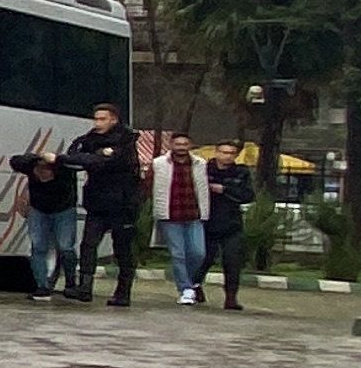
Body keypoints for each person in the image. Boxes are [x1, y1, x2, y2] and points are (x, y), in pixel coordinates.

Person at [60, 104, 143, 307]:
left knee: (122, 249)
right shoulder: (88, 138)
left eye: (102, 119)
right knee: (88, 245)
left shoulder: (126, 140)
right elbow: (72, 156)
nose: (97, 123)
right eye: (96, 119)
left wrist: (94, 157)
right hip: (97, 203)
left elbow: (108, 161)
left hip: (122, 204)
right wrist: (96, 154)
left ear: (113, 119)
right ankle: (84, 288)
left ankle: (123, 292)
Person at [7, 145, 82, 300]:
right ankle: (42, 285)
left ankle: (70, 283)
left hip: (64, 210)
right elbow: (15, 161)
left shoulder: (64, 170)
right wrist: (37, 157)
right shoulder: (31, 168)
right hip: (38, 210)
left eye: (45, 174)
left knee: (66, 247)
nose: (41, 177)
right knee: (38, 247)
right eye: (38, 173)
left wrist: (58, 159)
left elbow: (80, 164)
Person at [151, 131, 215, 305]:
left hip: (194, 214)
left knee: (198, 253)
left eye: (185, 144)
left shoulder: (200, 164)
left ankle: (191, 282)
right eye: (178, 144)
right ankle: (185, 288)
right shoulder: (158, 164)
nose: (181, 147)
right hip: (170, 215)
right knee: (178, 254)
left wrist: (205, 211)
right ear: (171, 145)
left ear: (190, 146)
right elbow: (149, 185)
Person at [206, 143, 258, 310]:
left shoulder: (241, 172)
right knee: (203, 259)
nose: (228, 156)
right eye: (224, 152)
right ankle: (194, 287)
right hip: (207, 222)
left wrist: (225, 189)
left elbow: (248, 195)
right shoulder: (205, 169)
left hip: (231, 224)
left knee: (232, 262)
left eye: (232, 153)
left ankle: (231, 297)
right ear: (216, 152)